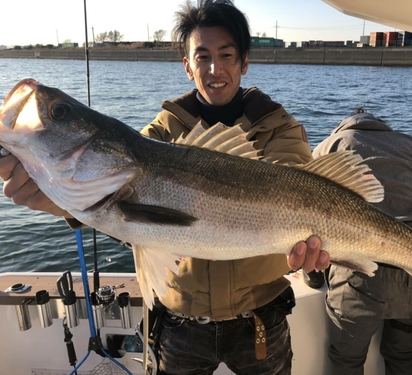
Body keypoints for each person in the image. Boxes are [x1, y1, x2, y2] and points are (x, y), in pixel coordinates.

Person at [0, 1, 329, 374]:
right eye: (201, 56)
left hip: (259, 321)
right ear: (187, 65)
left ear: (244, 62)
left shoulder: (279, 128)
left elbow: (301, 188)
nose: (214, 68)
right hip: (180, 324)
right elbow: (128, 214)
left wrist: (313, 243)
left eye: (226, 55)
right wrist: (62, 204)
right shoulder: (159, 134)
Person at [313, 110, 412, 375]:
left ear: (342, 126)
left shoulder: (330, 144)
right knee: (405, 358)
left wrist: (313, 279)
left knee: (346, 360)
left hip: (360, 274)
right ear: (384, 128)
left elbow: (310, 217)